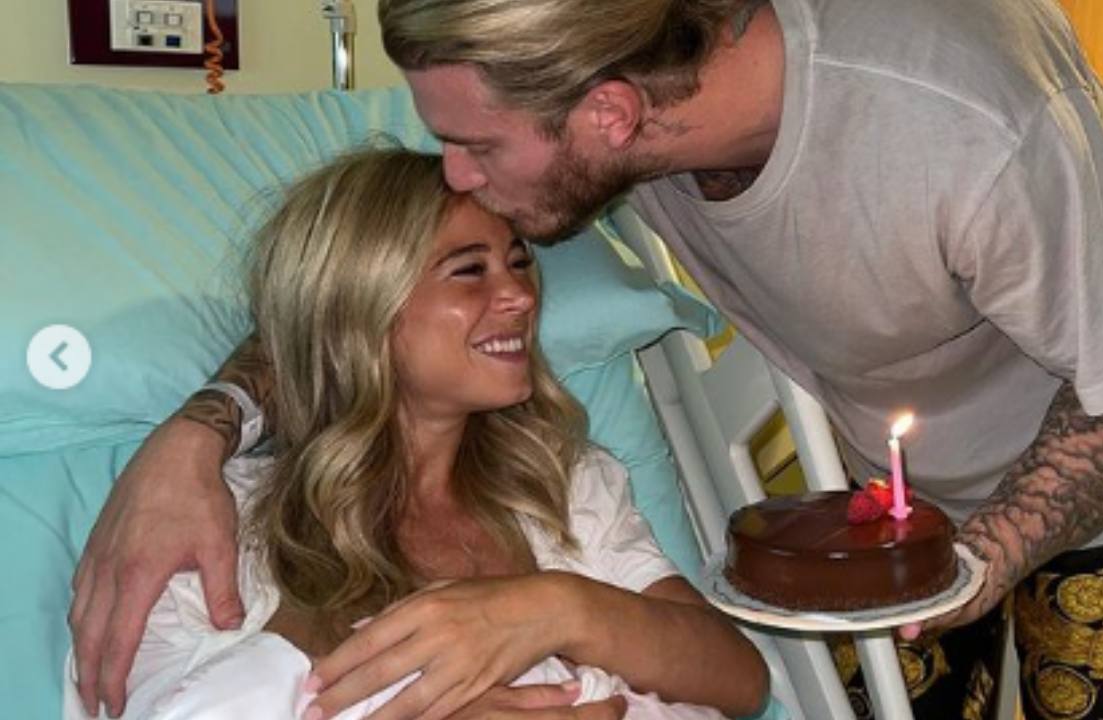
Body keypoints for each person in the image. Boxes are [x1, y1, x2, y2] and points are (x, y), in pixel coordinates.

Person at [73, 0, 1103, 718]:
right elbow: (351, 299)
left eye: (474, 148)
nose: (460, 176)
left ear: (611, 114)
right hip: (888, 472)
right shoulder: (610, 115)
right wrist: (200, 427)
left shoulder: (974, 130)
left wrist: (960, 571)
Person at [64, 148, 766, 720]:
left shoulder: (559, 484)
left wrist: (557, 609)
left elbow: (739, 679)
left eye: (519, 260)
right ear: (362, 308)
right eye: (469, 271)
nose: (520, 295)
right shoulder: (221, 529)